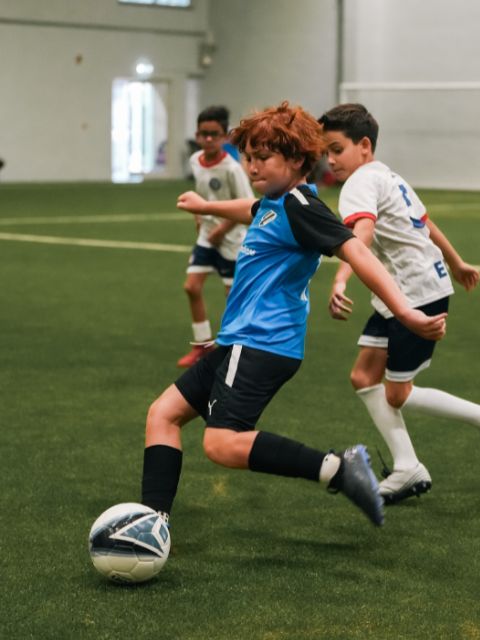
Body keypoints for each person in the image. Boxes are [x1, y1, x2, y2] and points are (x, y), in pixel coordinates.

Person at [141, 102, 450, 529]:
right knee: (163, 415)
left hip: (259, 344)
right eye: (248, 158)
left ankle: (339, 469)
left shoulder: (301, 206)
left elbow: (357, 250)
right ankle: (152, 522)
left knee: (221, 444)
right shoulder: (275, 201)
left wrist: (406, 312)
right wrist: (206, 206)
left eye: (263, 158)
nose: (252, 167)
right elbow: (250, 210)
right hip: (239, 342)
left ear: (298, 160)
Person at [318, 103, 480, 505]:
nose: (330, 159)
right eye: (327, 151)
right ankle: (407, 467)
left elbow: (362, 235)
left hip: (416, 294)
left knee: (398, 393)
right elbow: (425, 222)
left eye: (336, 149)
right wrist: (455, 261)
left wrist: (340, 277)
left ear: (364, 145)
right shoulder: (385, 174)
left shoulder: (359, 183)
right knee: (363, 377)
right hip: (405, 290)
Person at [177, 106, 254, 368]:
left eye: (214, 134)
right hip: (206, 237)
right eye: (203, 134)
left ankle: (237, 349)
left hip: (231, 240)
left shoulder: (232, 169)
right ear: (197, 135)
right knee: (191, 287)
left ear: (224, 136)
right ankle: (202, 346)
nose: (208, 139)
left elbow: (248, 204)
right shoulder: (195, 160)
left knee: (233, 297)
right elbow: (201, 196)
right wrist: (198, 220)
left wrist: (223, 229)